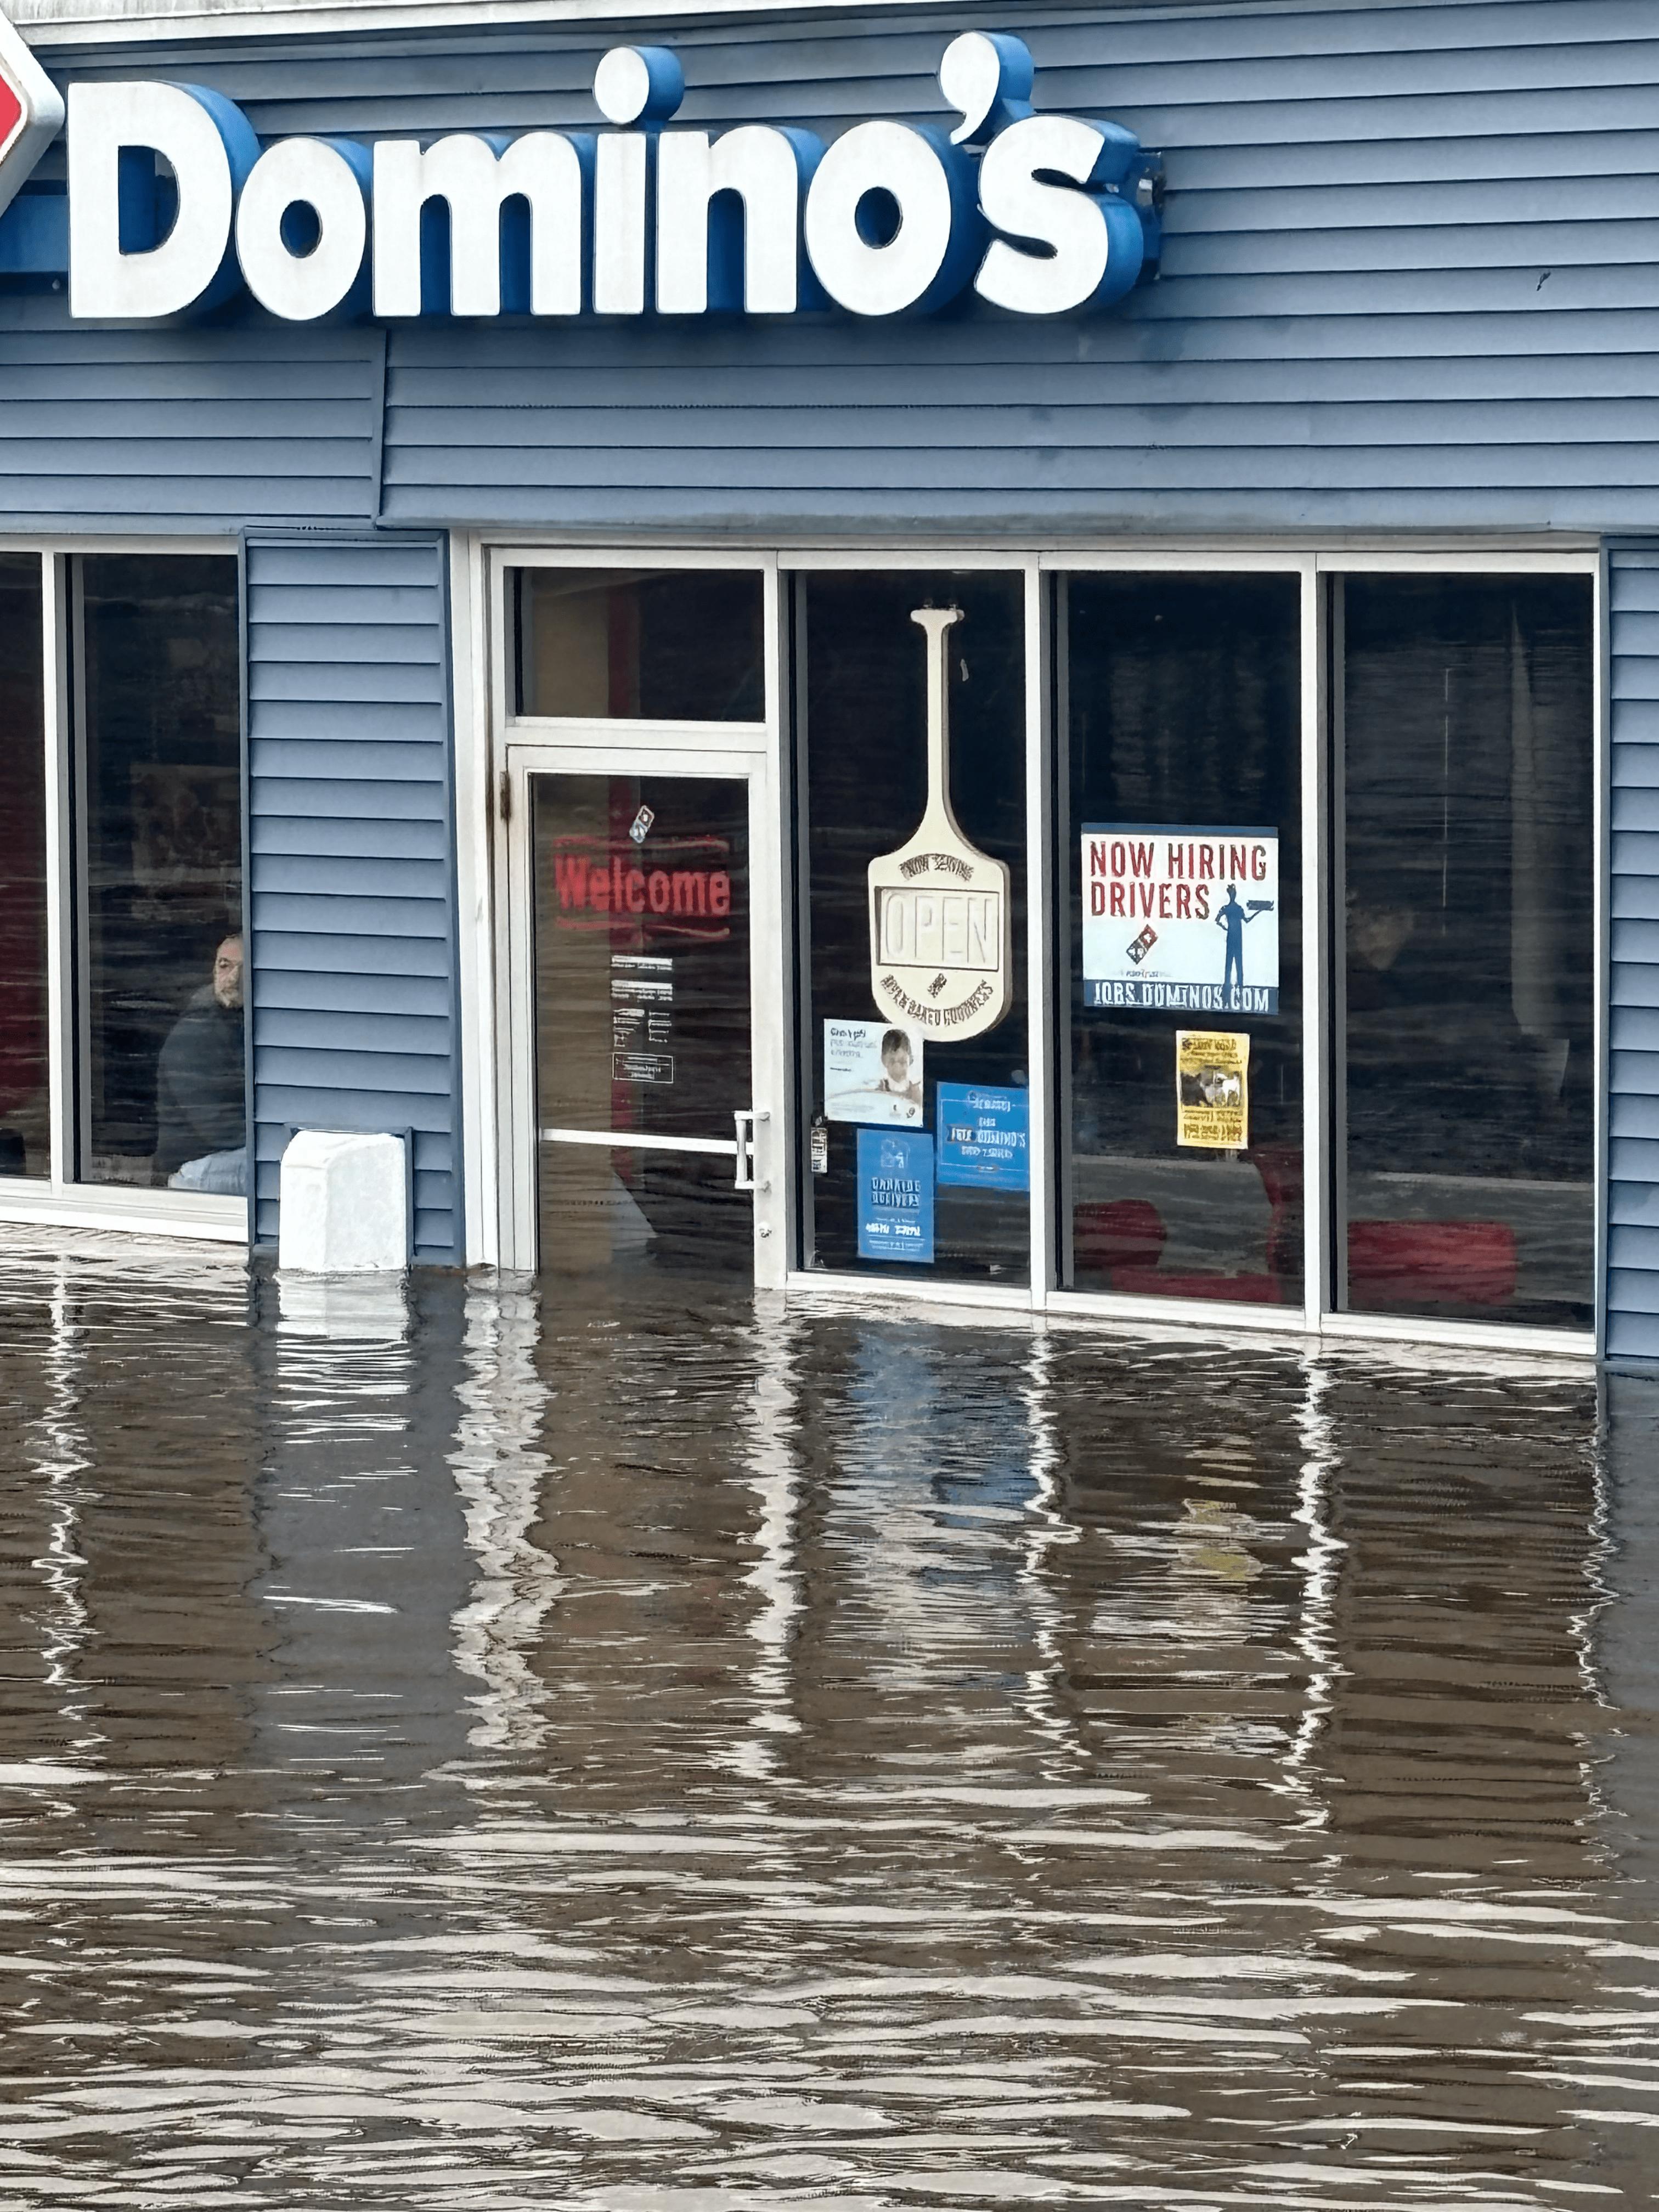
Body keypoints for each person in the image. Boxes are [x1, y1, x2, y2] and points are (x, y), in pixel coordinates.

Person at [156, 933, 247, 1194]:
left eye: (243, 967)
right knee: (289, 1169)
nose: (233, 978)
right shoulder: (195, 1034)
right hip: (196, 1166)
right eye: (224, 965)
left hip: (228, 1154)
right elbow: (219, 1128)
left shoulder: (240, 1024)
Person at [1215, 883, 1269, 996]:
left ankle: (1234, 987)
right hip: (1236, 939)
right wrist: (1260, 911)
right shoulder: (1237, 909)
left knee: (1231, 963)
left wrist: (1224, 927)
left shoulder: (1228, 908)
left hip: (1233, 938)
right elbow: (1247, 920)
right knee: (1237, 963)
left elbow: (1218, 920)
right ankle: (1238, 987)